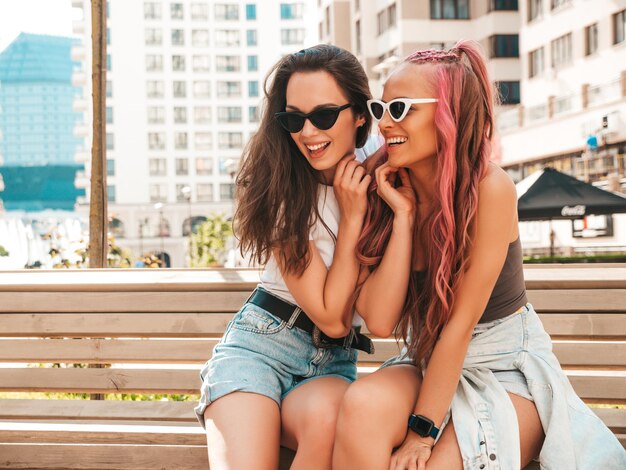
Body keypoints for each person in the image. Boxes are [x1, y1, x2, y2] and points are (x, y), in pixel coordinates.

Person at [333, 41, 626, 470]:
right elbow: (378, 320)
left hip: (507, 369)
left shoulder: (490, 188)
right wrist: (404, 218)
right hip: (429, 360)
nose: (384, 125)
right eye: (381, 109)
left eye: (401, 109)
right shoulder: (389, 187)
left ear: (448, 113)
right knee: (363, 404)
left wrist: (421, 433)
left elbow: (460, 324)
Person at [194, 44, 375, 470]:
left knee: (332, 420)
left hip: (332, 364)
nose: (308, 133)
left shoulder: (385, 184)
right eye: (294, 119)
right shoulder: (283, 190)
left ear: (361, 114)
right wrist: (351, 220)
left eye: (324, 115)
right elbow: (331, 316)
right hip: (259, 350)